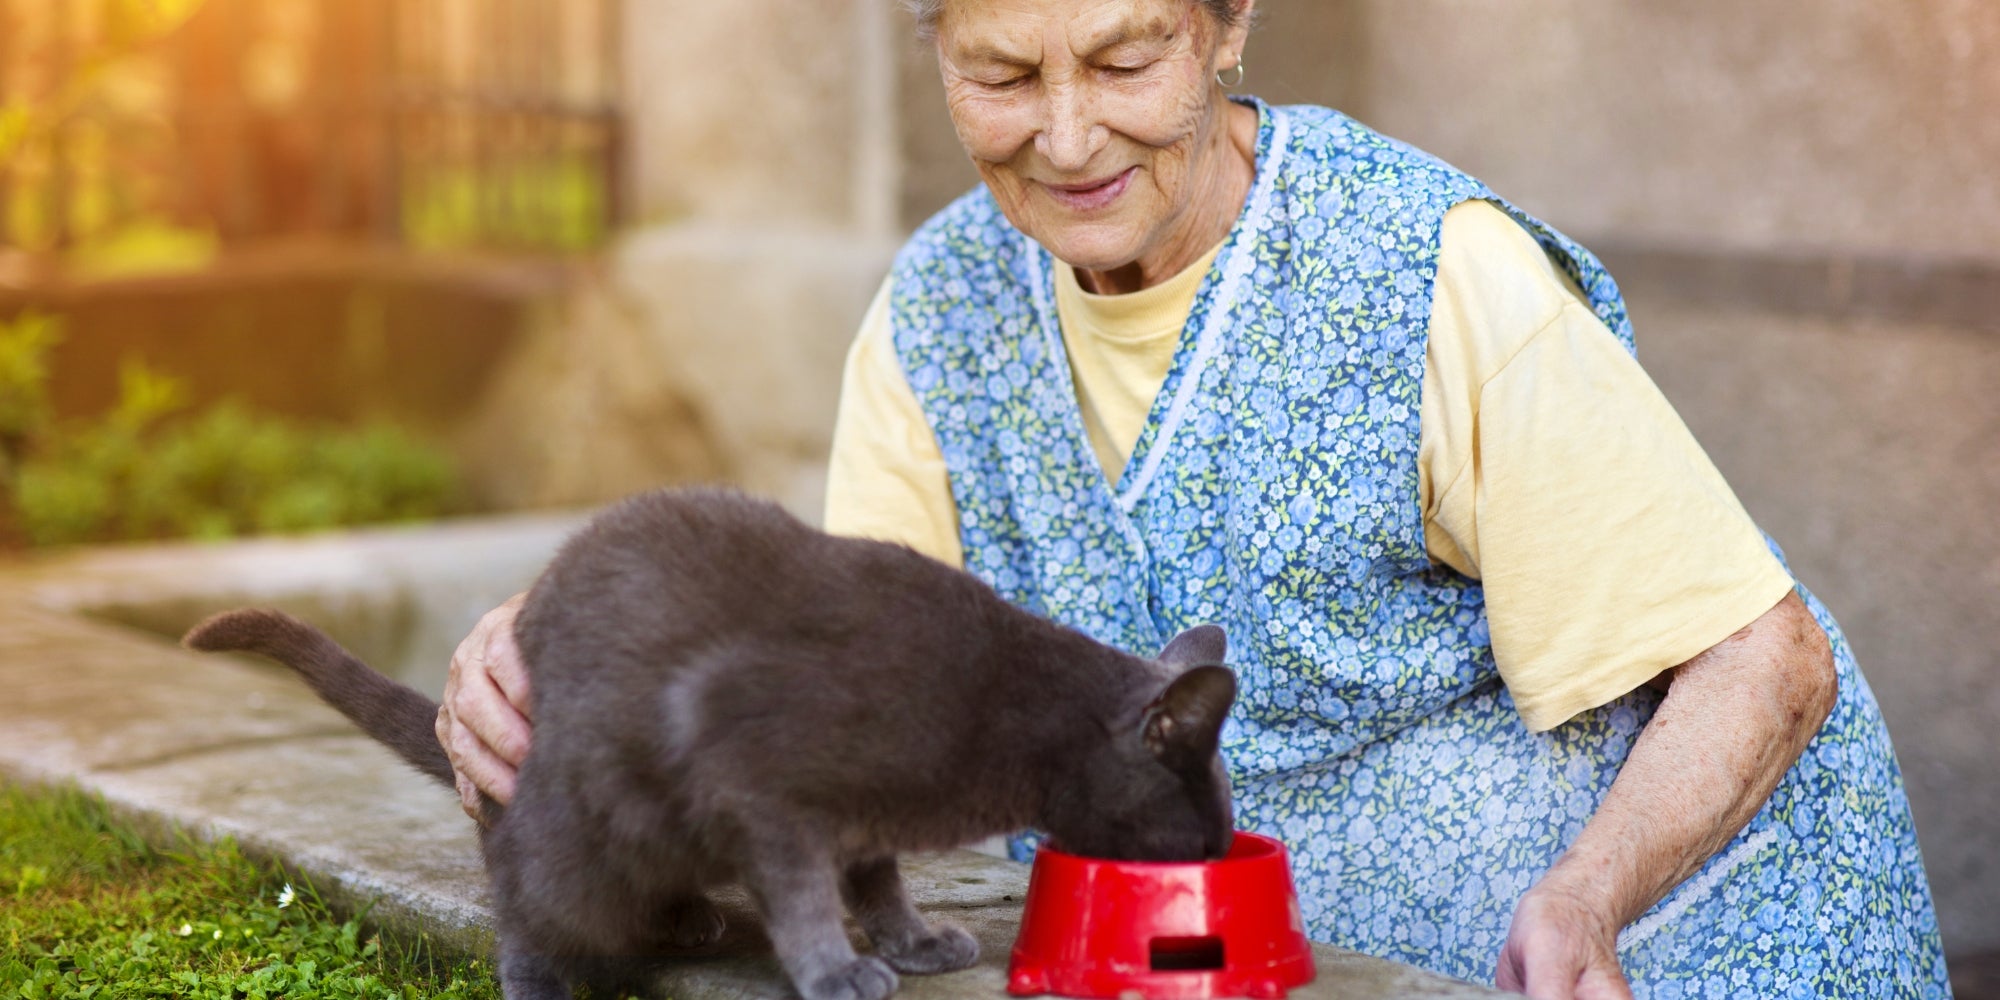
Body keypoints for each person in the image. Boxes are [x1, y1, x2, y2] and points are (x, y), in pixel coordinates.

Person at [435, 1, 1950, 996]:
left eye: (1123, 56)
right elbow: (818, 665)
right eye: (1004, 74)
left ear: (1227, 26)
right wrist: (556, 650)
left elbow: (1767, 658)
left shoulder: (1430, 273)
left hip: (1659, 946)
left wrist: (1587, 901)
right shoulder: (932, 318)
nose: (1070, 136)